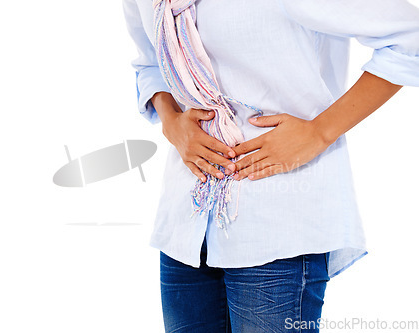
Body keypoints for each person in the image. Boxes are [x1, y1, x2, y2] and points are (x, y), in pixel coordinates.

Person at [122, 0, 419, 332]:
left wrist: (321, 131)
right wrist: (171, 121)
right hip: (186, 224)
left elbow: (411, 37)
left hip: (277, 226)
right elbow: (150, 61)